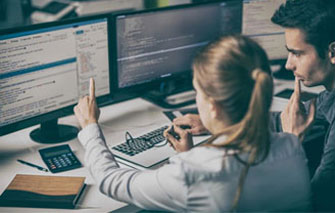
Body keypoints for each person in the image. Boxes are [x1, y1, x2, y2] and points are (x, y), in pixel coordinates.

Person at [74, 35, 311, 212]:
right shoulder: (291, 145)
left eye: (197, 91)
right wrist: (188, 155)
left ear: (213, 106)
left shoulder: (193, 172)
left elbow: (110, 181)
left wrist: (89, 126)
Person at [175, 0, 335, 210]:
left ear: (332, 52)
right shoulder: (329, 97)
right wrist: (221, 121)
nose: (288, 64)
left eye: (297, 53)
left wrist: (292, 142)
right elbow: (290, 117)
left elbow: (312, 204)